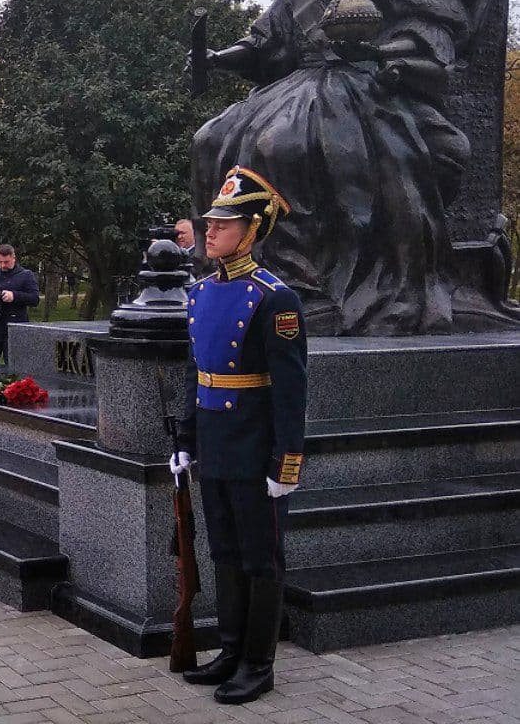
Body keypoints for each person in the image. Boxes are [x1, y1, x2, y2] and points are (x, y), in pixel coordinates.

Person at [189, 0, 473, 336]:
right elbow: (268, 41)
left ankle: (305, 286)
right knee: (209, 138)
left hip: (369, 88)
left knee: (281, 144)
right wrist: (217, 58)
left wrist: (387, 57)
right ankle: (227, 273)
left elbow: (433, 28)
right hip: (297, 86)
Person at [170, 167, 308, 705]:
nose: (210, 231)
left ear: (251, 231)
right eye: (208, 223)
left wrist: (286, 463)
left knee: (260, 557)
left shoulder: (277, 299)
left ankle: (258, 664)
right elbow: (195, 372)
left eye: (223, 224)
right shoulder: (200, 293)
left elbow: (291, 390)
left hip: (255, 449)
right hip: (215, 443)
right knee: (224, 551)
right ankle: (230, 651)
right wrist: (185, 439)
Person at [0, 244, 40, 374]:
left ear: (13, 258)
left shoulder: (26, 275)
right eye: (0, 262)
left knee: (16, 370)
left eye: (6, 262)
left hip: (15, 328)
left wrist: (14, 296)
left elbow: (34, 299)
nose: (3, 265)